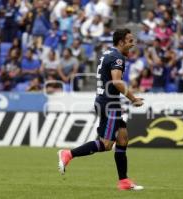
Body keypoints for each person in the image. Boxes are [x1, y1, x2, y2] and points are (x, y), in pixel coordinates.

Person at [57, 28, 144, 190]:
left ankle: (124, 181)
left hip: (108, 102)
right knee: (106, 144)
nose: (133, 44)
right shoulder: (117, 58)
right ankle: (68, 154)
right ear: (121, 42)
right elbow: (117, 82)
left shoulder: (107, 53)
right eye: (130, 41)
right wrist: (134, 99)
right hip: (109, 104)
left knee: (123, 139)